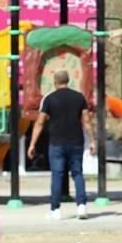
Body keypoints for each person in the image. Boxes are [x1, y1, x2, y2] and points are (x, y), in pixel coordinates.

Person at [27, 70, 94, 220]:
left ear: (55, 82)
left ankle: (55, 210)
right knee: (77, 173)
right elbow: (86, 121)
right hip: (76, 142)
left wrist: (32, 144)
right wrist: (92, 140)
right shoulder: (79, 97)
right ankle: (81, 207)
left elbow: (40, 122)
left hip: (56, 143)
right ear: (68, 80)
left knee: (57, 175)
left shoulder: (49, 99)